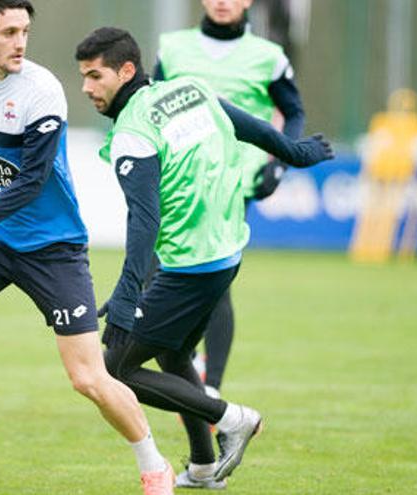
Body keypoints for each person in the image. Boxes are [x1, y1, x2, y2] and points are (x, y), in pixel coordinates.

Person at [0, 2, 175, 494]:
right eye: (9, 31)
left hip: (52, 248)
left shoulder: (41, 91)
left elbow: (32, 182)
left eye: (26, 31)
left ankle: (155, 466)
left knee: (88, 377)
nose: (21, 42)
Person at [75, 27, 331, 489]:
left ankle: (232, 418)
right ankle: (204, 466)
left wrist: (127, 293)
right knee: (174, 354)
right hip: (226, 251)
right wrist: (296, 151)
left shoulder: (134, 131)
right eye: (83, 78)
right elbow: (245, 124)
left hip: (190, 266)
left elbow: (143, 220)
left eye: (96, 76)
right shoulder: (189, 89)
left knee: (116, 367)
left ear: (127, 71)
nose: (87, 88)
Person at [154, 0, 307, 413]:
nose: (223, 1)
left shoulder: (269, 57)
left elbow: (294, 114)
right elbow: (148, 106)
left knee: (215, 278)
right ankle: (185, 365)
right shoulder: (173, 48)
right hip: (177, 182)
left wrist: (280, 162)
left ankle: (211, 387)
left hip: (233, 184)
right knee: (164, 273)